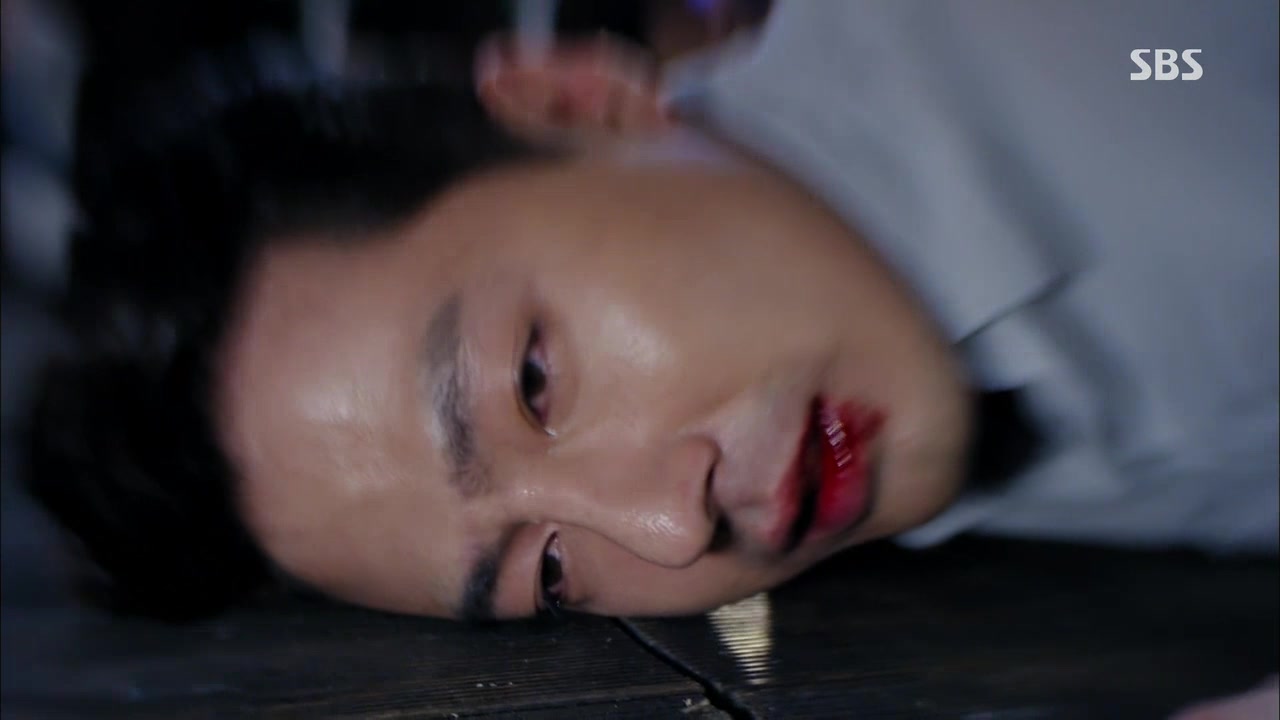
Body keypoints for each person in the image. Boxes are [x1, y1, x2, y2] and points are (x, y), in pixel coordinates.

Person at [24, 0, 1276, 631]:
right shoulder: (836, 390)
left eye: (532, 383)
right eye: (546, 574)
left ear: (575, 102)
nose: (672, 530)